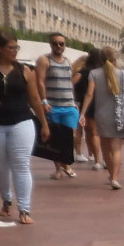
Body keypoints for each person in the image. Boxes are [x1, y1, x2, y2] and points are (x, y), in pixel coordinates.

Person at [0, 31, 50, 223]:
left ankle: (25, 209)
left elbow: (35, 99)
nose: (14, 51)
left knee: (21, 164)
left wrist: (44, 124)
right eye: (11, 47)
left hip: (21, 120)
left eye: (16, 47)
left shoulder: (24, 70)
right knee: (0, 166)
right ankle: (6, 200)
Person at [79, 46, 124, 190]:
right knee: (117, 149)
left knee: (105, 149)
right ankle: (115, 178)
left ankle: (112, 175)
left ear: (100, 58)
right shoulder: (121, 73)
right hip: (118, 115)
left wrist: (82, 113)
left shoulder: (93, 73)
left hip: (101, 115)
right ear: (114, 59)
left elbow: (89, 94)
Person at [35, 31, 78, 179]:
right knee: (55, 138)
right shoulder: (44, 60)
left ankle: (67, 164)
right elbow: (39, 81)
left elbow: (69, 83)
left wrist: (74, 102)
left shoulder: (68, 61)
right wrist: (44, 101)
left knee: (69, 138)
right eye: (55, 43)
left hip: (69, 105)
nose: (58, 46)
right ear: (50, 44)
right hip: (52, 105)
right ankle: (59, 169)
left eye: (61, 44)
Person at [72, 48, 103, 169]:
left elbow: (72, 83)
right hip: (100, 103)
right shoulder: (102, 72)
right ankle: (95, 157)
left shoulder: (84, 71)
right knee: (94, 133)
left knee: (84, 130)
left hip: (83, 102)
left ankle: (89, 156)